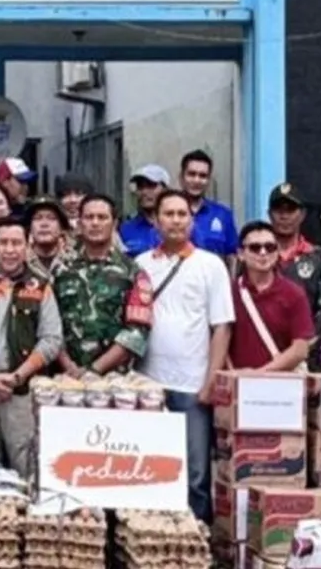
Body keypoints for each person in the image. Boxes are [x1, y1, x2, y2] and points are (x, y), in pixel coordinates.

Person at [137, 189, 234, 523]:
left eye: (182, 214)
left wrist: (211, 382)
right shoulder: (141, 265)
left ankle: (198, 538)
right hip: (148, 384)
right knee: (150, 469)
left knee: (195, 474)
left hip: (193, 385)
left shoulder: (211, 265)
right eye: (169, 214)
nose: (176, 221)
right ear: (156, 220)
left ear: (192, 221)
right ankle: (152, 537)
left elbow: (222, 327)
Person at [0, 217, 63, 480]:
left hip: (21, 392)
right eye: (3, 243)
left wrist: (18, 376)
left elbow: (52, 340)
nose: (10, 249)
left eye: (16, 243)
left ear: (27, 246)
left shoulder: (40, 286)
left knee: (26, 464)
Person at [53, 194, 153, 376]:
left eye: (102, 217)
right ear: (79, 224)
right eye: (89, 217)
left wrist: (94, 370)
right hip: (65, 376)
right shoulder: (61, 271)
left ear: (114, 224)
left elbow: (137, 332)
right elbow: (48, 325)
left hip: (115, 379)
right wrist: (68, 367)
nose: (95, 223)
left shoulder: (133, 272)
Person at [227, 221, 313, 371]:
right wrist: (232, 374)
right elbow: (219, 340)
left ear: (277, 252)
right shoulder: (228, 292)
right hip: (236, 381)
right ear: (241, 254)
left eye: (270, 247)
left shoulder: (294, 294)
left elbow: (300, 349)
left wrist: (259, 375)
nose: (263, 253)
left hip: (280, 381)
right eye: (255, 247)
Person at [267, 182, 321, 362]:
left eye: (290, 210)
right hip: (263, 351)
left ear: (303, 214)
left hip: (306, 355)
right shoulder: (256, 254)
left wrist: (307, 344)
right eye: (278, 209)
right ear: (269, 214)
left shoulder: (318, 258)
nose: (284, 216)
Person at [178, 149, 238, 263]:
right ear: (181, 177)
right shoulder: (171, 213)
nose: (197, 180)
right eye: (191, 174)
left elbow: (232, 255)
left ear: (209, 180)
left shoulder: (223, 215)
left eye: (203, 176)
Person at [120, 164, 170, 257]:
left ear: (165, 189)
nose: (144, 192)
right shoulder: (126, 229)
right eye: (140, 187)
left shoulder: (177, 226)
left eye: (151, 186)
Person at [26, 196, 74, 277]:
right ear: (30, 228)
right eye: (37, 218)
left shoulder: (75, 260)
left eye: (51, 218)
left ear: (62, 228)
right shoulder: (20, 261)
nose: (44, 224)